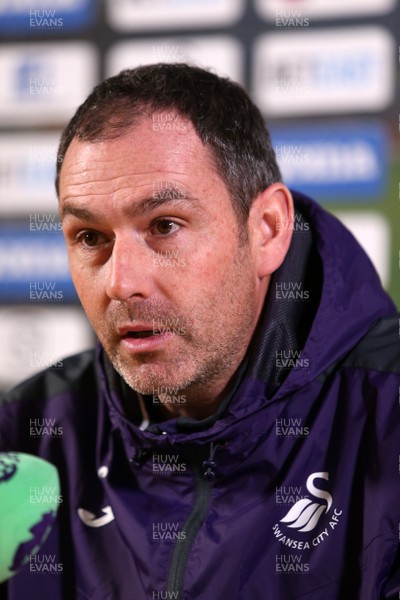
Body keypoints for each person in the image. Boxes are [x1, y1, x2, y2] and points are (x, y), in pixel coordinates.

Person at [1, 63, 399, 600]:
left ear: (268, 229)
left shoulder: (385, 416)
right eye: (90, 236)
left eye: (165, 226)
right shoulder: (29, 435)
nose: (121, 282)